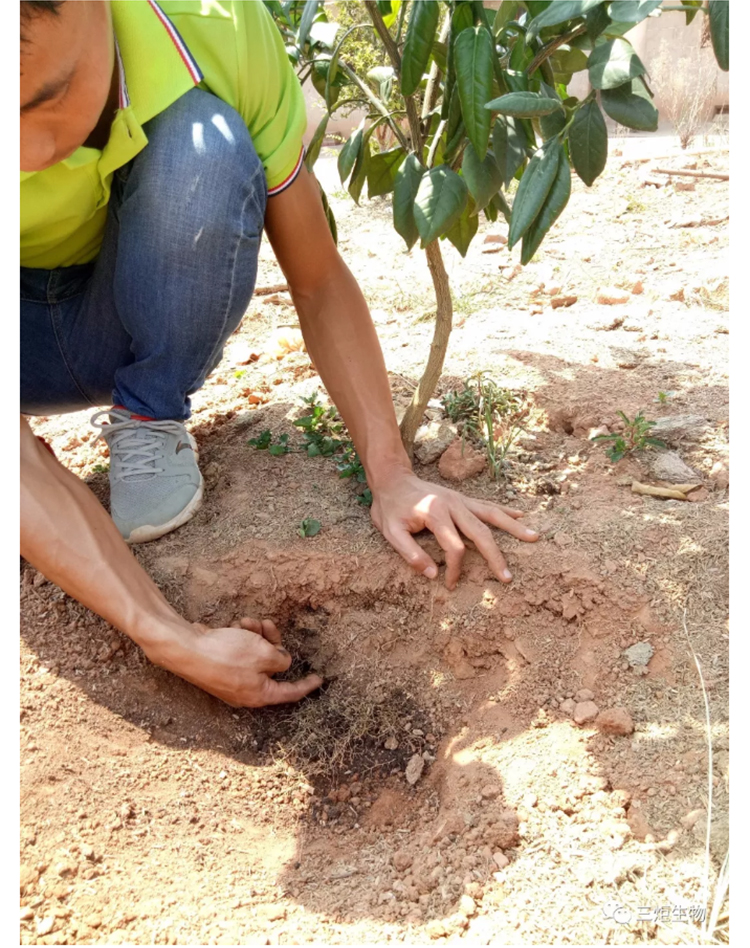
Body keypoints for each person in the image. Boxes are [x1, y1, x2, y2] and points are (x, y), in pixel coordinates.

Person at [20, 0, 538, 708]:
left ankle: (149, 411)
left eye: (45, 101)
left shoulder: (218, 25)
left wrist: (393, 475)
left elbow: (317, 277)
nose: (24, 157)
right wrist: (168, 635)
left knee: (206, 144)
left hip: (124, 312)